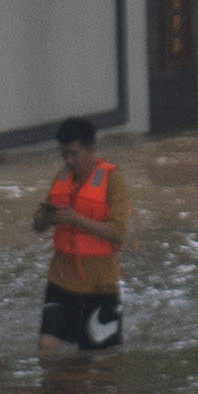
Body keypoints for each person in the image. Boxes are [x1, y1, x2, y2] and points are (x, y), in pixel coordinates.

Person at [35, 116, 129, 361]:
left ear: (92, 150)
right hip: (61, 282)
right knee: (47, 351)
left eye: (74, 154)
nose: (69, 161)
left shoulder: (112, 180)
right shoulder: (61, 177)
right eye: (64, 154)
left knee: (99, 365)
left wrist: (75, 219)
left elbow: (118, 232)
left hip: (100, 287)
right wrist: (47, 217)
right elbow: (37, 226)